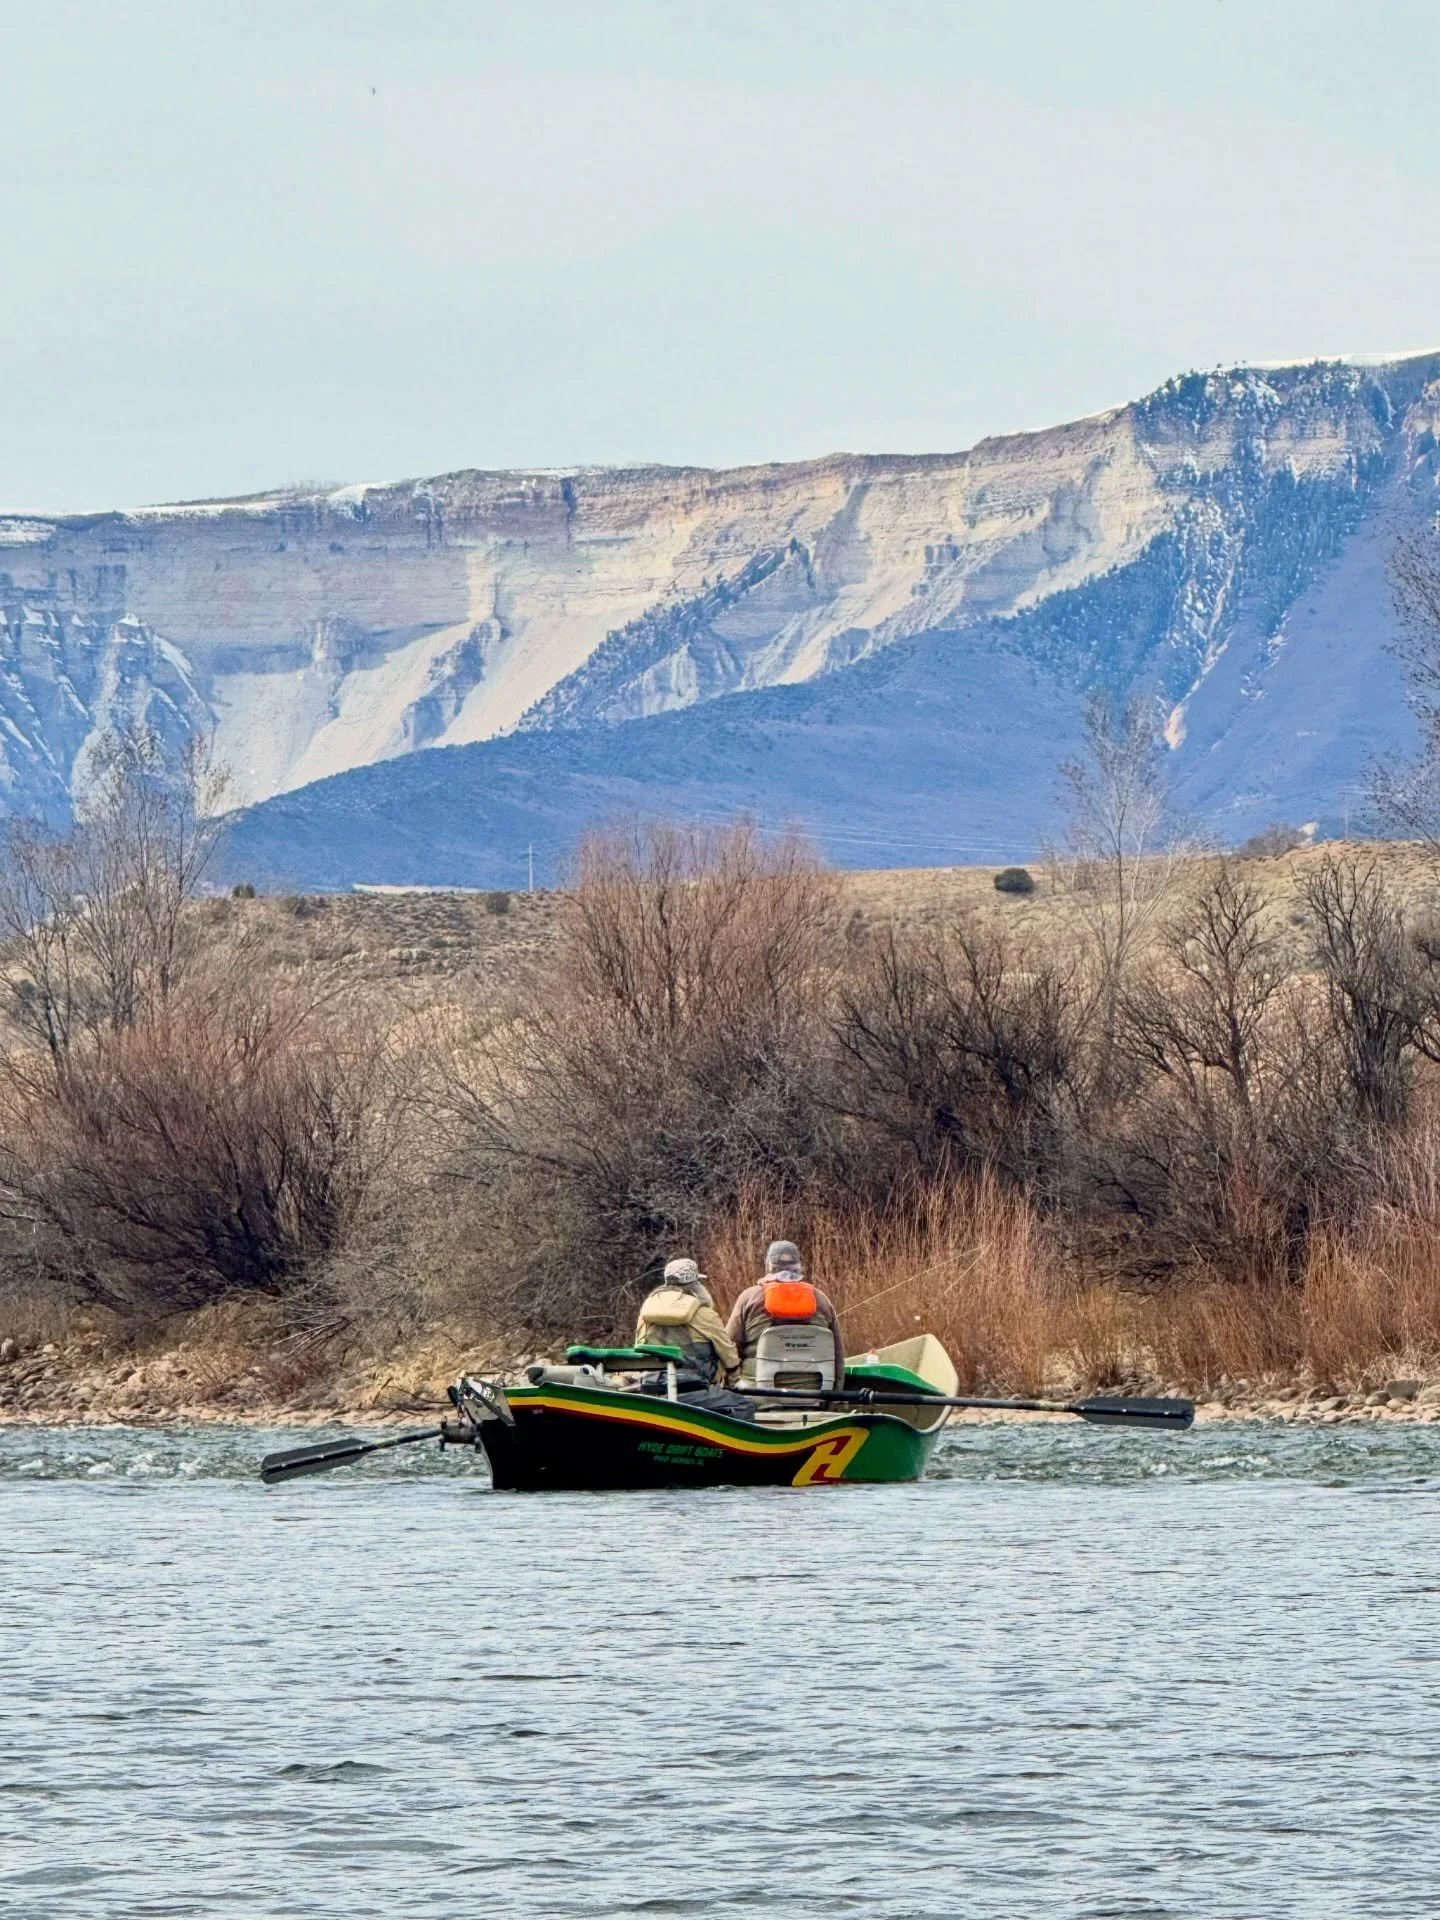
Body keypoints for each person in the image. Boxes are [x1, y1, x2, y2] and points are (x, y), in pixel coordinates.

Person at [725, 1239, 846, 1389]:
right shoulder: (821, 1299)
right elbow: (838, 1353)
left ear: (769, 1266)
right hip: (815, 1393)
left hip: (758, 1394)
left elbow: (728, 1348)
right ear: (798, 1266)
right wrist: (836, 1395)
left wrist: (729, 1387)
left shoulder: (749, 1298)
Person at [633, 1257, 741, 1386]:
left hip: (655, 1386)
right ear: (695, 1286)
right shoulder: (704, 1314)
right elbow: (729, 1357)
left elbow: (639, 1350)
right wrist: (734, 1381)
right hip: (695, 1387)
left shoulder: (647, 1312)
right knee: (744, 1406)